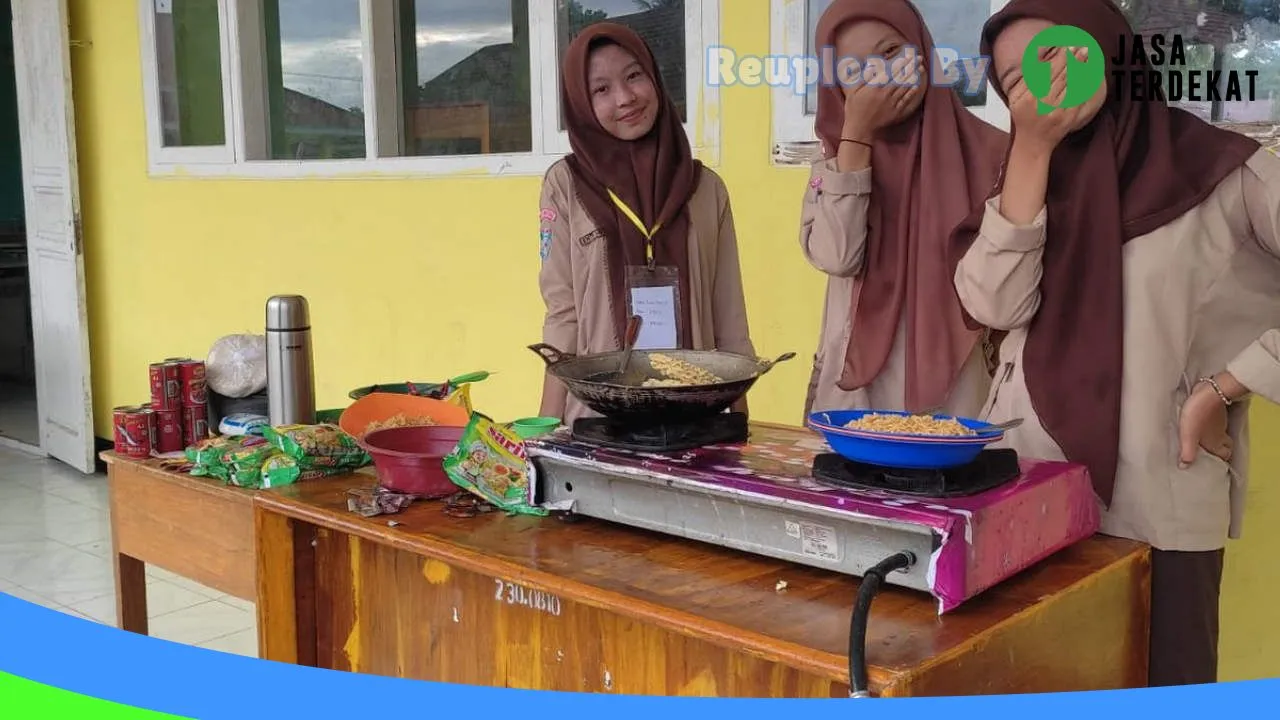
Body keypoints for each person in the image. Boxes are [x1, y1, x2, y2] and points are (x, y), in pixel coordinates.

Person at [951, 0, 1280, 687]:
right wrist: (1033, 151)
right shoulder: (1029, 178)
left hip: (1158, 506)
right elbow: (993, 303)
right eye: (1013, 82)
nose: (1039, 87)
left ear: (1107, 48)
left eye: (1055, 55)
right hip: (1028, 495)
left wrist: (1229, 385)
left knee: (1162, 682)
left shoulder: (1224, 173)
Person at [800, 0, 1009, 421]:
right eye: (855, 71)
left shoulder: (996, 154)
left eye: (892, 52)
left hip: (956, 400)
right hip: (854, 402)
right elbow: (839, 257)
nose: (882, 75)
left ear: (923, 50)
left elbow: (1003, 295)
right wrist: (855, 138)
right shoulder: (834, 164)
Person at [537, 23, 756, 423]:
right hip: (597, 420)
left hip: (696, 418)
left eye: (634, 76)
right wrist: (546, 431)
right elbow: (562, 315)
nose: (625, 98)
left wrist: (738, 427)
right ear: (581, 103)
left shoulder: (706, 189)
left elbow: (731, 322)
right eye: (601, 89)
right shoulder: (565, 185)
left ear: (654, 77)